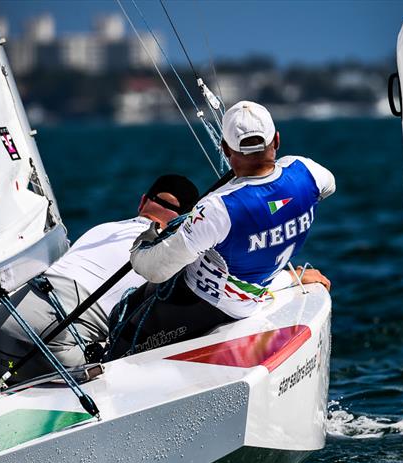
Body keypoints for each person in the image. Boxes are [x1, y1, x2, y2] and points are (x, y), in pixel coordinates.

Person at [107, 101, 335, 358]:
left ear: (226, 149)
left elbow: (153, 269)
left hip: (202, 305)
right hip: (249, 292)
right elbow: (327, 187)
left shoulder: (219, 207)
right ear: (277, 140)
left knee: (120, 341)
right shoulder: (308, 171)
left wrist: (146, 238)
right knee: (124, 309)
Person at [0, 174, 199, 383]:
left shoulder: (102, 230)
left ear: (142, 202)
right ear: (184, 222)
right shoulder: (167, 258)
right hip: (49, 354)